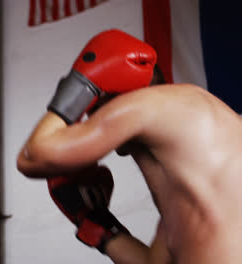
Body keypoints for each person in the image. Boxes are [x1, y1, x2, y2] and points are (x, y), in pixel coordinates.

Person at [17, 28, 242, 264]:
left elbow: (32, 157)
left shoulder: (146, 102)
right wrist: (98, 224)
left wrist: (81, 84)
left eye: (92, 107)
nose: (89, 118)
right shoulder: (187, 191)